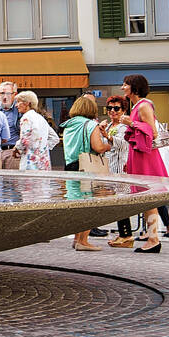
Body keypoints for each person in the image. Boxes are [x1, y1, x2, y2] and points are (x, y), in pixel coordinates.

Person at [121, 74, 169, 253]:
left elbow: (153, 132)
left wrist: (131, 123)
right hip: (140, 155)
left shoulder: (143, 105)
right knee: (148, 200)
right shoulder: (138, 105)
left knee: (149, 199)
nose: (122, 88)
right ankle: (152, 238)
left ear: (134, 87)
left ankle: (154, 239)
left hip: (145, 156)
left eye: (125, 85)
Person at [61, 95, 111, 252]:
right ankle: (83, 240)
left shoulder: (68, 125)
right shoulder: (91, 125)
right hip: (86, 168)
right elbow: (97, 147)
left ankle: (76, 239)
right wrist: (108, 145)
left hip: (70, 166)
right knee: (89, 205)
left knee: (77, 204)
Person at [13, 90, 56, 171]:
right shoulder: (41, 118)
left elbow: (24, 140)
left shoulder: (26, 118)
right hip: (43, 162)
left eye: (19, 102)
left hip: (30, 163)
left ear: (27, 103)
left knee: (28, 182)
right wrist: (42, 147)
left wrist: (16, 148)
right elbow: (54, 138)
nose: (16, 105)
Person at [0, 81, 22, 168]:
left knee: (12, 181)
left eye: (8, 94)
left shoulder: (20, 108)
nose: (5, 97)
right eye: (2, 93)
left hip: (12, 152)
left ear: (15, 94)